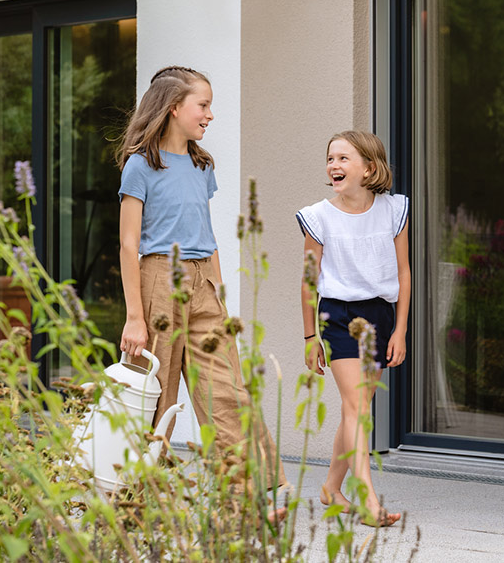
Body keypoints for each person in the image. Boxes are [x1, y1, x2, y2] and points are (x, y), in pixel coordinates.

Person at [115, 65, 287, 519]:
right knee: (156, 395)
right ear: (174, 108)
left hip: (204, 284)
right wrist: (135, 316)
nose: (210, 115)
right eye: (203, 105)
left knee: (227, 390)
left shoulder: (201, 164)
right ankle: (134, 501)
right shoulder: (141, 165)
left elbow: (206, 234)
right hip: (158, 281)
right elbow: (128, 243)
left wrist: (219, 293)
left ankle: (243, 500)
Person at [296, 130, 409, 528]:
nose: (334, 165)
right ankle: (367, 499)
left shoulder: (393, 211)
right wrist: (311, 337)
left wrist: (401, 331)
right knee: (356, 407)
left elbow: (403, 271)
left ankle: (330, 489)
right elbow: (309, 281)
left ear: (369, 168)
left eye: (344, 158)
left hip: (380, 315)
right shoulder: (318, 217)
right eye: (330, 159)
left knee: (356, 410)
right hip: (337, 316)